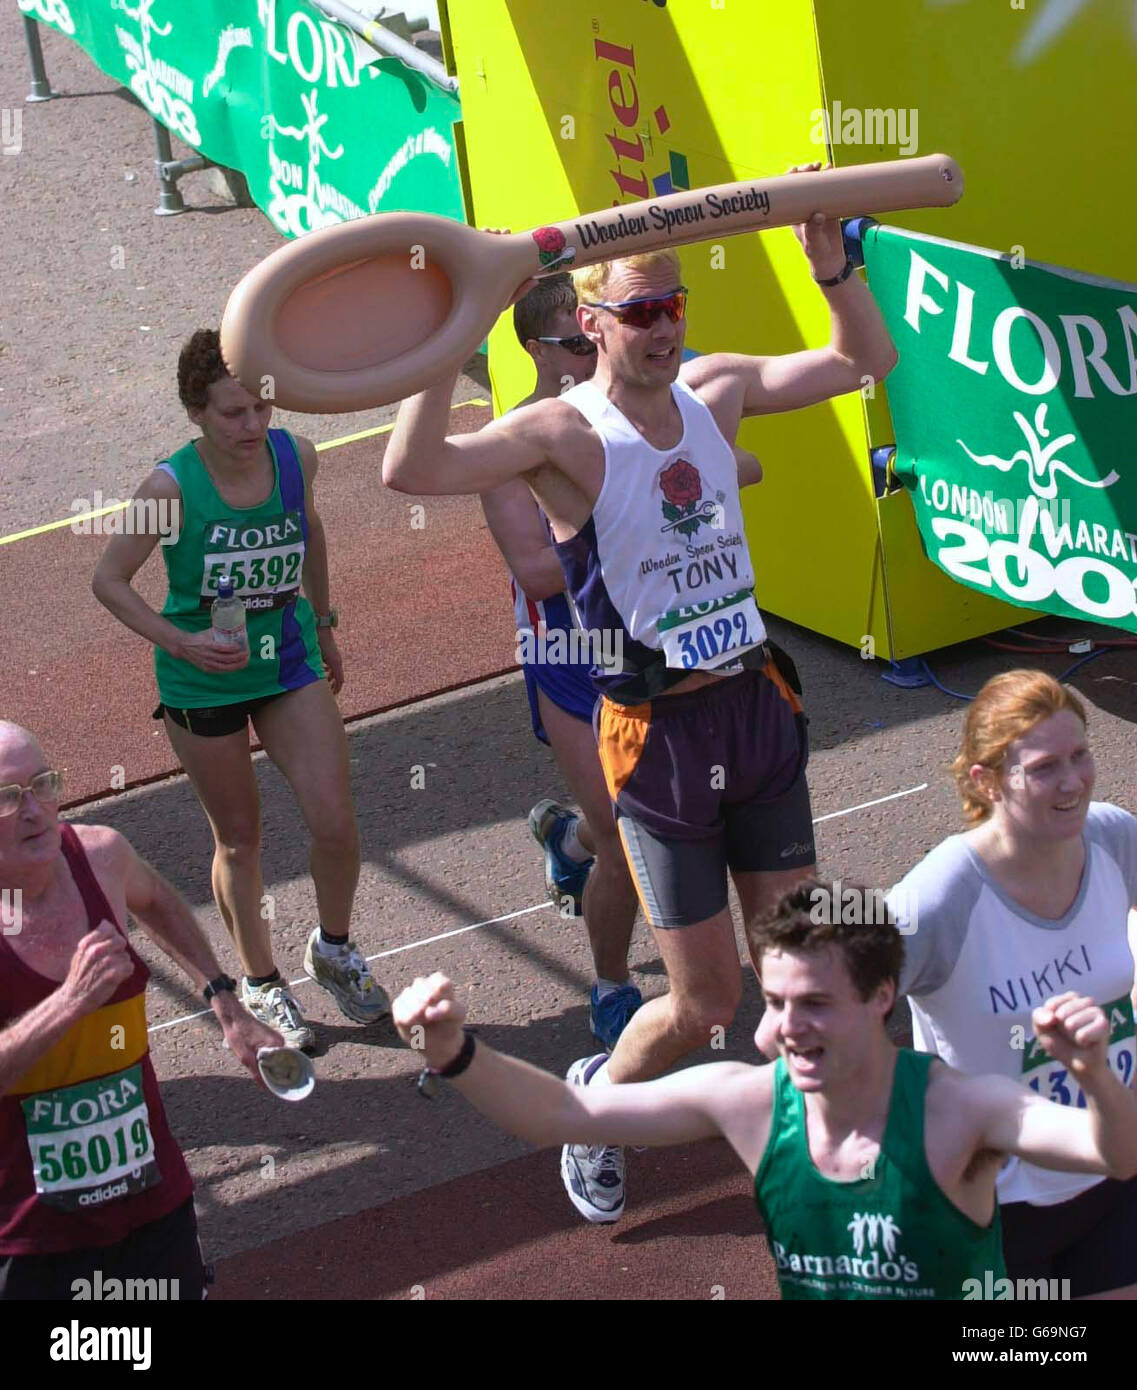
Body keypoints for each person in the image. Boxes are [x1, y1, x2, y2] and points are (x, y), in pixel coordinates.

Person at [383, 164, 896, 1222]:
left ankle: (829, 1156)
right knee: (707, 1003)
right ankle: (596, 1104)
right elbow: (412, 467)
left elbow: (864, 360)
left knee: (800, 960)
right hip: (654, 733)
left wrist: (830, 260)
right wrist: (451, 339)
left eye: (675, 305)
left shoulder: (717, 389)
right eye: (641, 311)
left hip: (756, 711)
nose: (664, 328)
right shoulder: (563, 435)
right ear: (591, 319)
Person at [392, 879, 1137, 1299]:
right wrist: (455, 1051)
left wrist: (1093, 1075)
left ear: (882, 996)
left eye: (814, 1004)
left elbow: (1115, 1152)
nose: (780, 1030)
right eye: (775, 1003)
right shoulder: (749, 1103)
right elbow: (562, 1111)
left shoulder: (959, 1109)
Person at [484, 276, 766, 1052]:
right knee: (620, 839)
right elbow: (537, 569)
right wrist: (632, 510)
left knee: (627, 828)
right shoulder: (524, 439)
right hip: (571, 653)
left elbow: (741, 468)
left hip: (657, 651)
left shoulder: (642, 417)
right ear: (544, 348)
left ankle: (564, 839)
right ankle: (610, 983)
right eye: (578, 344)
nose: (594, 354)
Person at [92, 328, 388, 1052]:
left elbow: (309, 529)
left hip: (283, 655)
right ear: (197, 414)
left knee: (334, 820)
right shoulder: (170, 488)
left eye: (260, 408)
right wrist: (180, 639)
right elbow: (108, 580)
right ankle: (260, 981)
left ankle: (336, 949)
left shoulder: (296, 456)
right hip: (203, 675)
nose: (252, 426)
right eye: (232, 414)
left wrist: (323, 622)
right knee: (240, 838)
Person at [0, 722, 279, 1300]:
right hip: (29, 1238)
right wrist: (71, 1002)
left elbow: (156, 900)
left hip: (152, 1206)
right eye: (7, 797)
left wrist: (225, 1003)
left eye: (43, 786)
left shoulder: (101, 856)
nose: (34, 811)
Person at [883, 669, 1137, 1299]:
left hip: (1112, 1169)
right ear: (987, 781)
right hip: (993, 1205)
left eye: (1080, 755)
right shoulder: (938, 899)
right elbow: (834, 1013)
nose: (1073, 781)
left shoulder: (1112, 837)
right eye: (1046, 767)